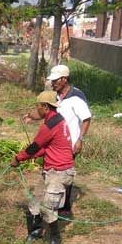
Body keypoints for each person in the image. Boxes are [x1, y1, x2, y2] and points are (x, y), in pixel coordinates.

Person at [11, 91, 74, 244]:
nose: (36, 109)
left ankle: (55, 237)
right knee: (35, 201)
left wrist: (18, 158)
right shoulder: (57, 119)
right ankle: (36, 230)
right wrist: (32, 156)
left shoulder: (49, 125)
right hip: (51, 170)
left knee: (48, 207)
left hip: (60, 172)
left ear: (45, 107)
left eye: (37, 106)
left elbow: (34, 147)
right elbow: (48, 147)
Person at [48, 64, 92, 218]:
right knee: (55, 172)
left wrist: (80, 139)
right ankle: (55, 203)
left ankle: (64, 206)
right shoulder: (55, 96)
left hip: (70, 143)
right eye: (52, 81)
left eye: (55, 81)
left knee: (65, 173)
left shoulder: (76, 96)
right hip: (55, 143)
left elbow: (86, 119)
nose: (52, 84)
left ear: (64, 80)